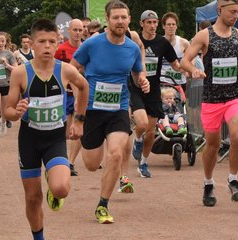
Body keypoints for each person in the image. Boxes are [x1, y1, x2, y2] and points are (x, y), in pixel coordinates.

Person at [181, 0, 238, 207]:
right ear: (220, 10)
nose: (236, 16)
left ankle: (233, 179)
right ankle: (208, 183)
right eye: (232, 12)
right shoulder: (204, 36)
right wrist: (193, 70)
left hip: (234, 96)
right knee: (212, 145)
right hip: (211, 99)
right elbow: (184, 61)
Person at [3, 19, 89, 239]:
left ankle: (54, 187)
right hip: (29, 141)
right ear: (32, 44)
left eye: (52, 41)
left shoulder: (66, 70)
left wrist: (79, 120)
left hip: (54, 140)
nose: (48, 46)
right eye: (42, 41)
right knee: (32, 198)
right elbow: (7, 111)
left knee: (61, 188)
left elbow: (84, 86)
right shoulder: (20, 73)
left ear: (58, 42)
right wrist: (18, 110)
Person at [70, 0, 149, 224]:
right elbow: (72, 68)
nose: (120, 21)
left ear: (129, 20)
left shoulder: (132, 48)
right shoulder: (92, 44)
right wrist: (78, 94)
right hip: (93, 110)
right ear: (107, 20)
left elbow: (136, 74)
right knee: (92, 165)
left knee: (115, 153)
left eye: (124, 17)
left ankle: (103, 204)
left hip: (119, 109)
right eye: (116, 17)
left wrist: (142, 80)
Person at [130, 9, 182, 178]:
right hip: (135, 88)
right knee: (142, 124)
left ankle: (144, 164)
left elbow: (175, 64)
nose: (152, 26)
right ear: (142, 24)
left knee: (151, 131)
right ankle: (137, 139)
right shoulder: (134, 41)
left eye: (154, 22)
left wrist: (189, 69)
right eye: (149, 22)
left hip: (153, 90)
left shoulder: (162, 42)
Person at [54, 19, 84, 176]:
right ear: (69, 31)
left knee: (79, 129)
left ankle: (70, 163)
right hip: (65, 95)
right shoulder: (61, 49)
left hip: (82, 94)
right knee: (67, 133)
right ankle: (62, 159)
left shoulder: (86, 48)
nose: (78, 33)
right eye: (75, 30)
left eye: (80, 30)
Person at [160, 12, 190, 91]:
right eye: (168, 24)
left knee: (180, 103)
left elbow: (191, 59)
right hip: (163, 82)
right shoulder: (159, 43)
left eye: (173, 24)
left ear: (176, 26)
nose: (171, 27)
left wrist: (188, 71)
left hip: (179, 82)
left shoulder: (184, 43)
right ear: (164, 26)